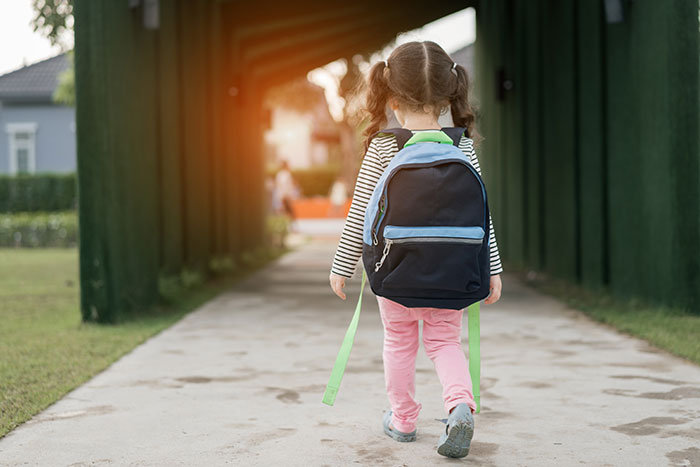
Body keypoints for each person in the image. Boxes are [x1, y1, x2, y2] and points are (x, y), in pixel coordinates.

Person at [328, 41, 503, 459]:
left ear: (389, 95)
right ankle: (459, 405)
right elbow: (483, 216)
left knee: (399, 343)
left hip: (396, 273)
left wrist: (342, 267)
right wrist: (491, 269)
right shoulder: (461, 146)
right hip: (453, 271)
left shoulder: (385, 147)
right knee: (445, 342)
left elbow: (359, 216)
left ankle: (403, 419)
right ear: (448, 95)